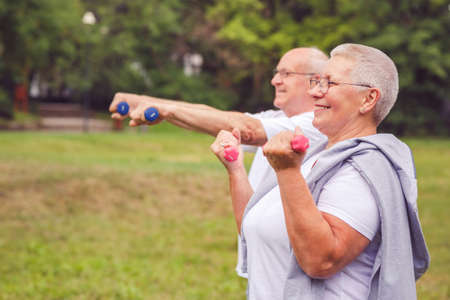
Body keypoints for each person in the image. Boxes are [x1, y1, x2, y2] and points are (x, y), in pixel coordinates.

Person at [210, 43, 430, 299]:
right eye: (316, 82)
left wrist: (287, 172)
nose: (314, 93)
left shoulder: (364, 170)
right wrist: (235, 169)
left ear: (368, 99)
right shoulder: (312, 157)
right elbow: (254, 227)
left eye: (329, 83)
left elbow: (320, 261)